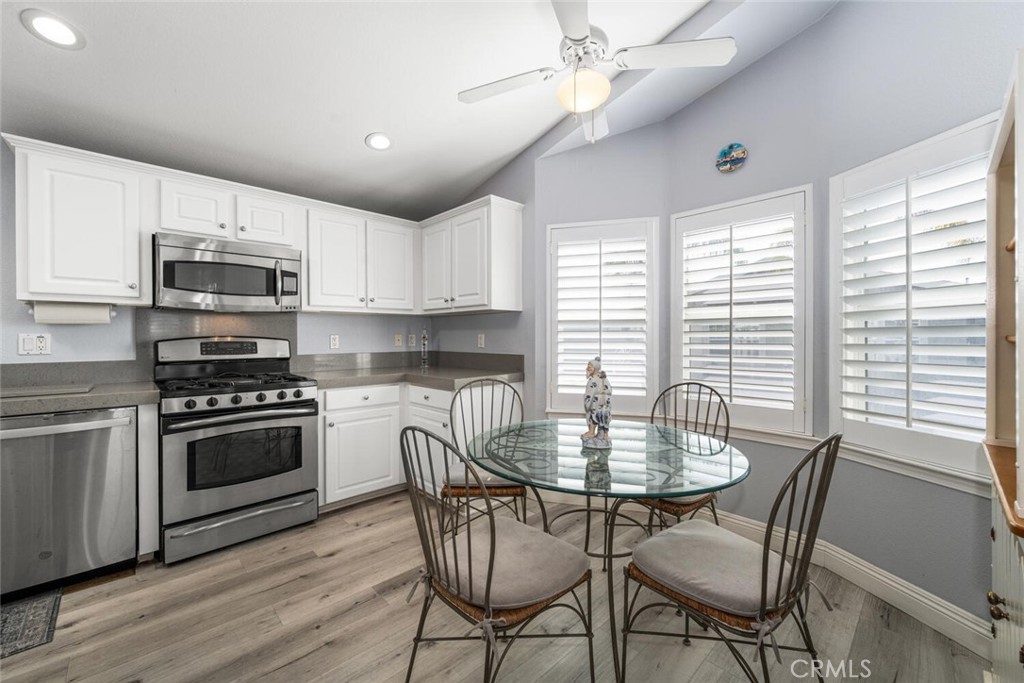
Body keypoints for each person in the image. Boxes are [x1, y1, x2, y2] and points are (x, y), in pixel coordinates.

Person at [581, 357, 612, 445]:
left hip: (596, 403)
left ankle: (592, 432)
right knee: (603, 417)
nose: (587, 368)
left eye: (590, 366)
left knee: (593, 418)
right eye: (588, 366)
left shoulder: (593, 380)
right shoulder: (603, 378)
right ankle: (603, 434)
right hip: (605, 403)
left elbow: (590, 394)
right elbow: (609, 390)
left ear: (595, 368)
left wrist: (587, 404)